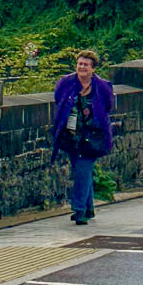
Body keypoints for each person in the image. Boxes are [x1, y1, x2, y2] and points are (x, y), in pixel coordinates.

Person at [52, 50, 114, 225]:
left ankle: (79, 210)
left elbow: (108, 106)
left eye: (86, 65)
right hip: (71, 135)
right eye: (80, 64)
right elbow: (59, 99)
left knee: (82, 169)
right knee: (82, 170)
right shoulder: (66, 83)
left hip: (93, 137)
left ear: (93, 68)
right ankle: (89, 208)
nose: (82, 67)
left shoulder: (102, 86)